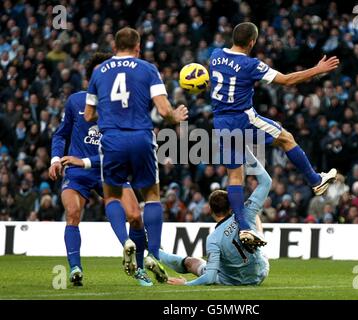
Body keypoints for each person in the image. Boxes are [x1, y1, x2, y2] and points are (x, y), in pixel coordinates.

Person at [209, 22, 339, 245]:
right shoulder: (251, 64)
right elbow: (287, 80)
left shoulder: (214, 55)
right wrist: (317, 70)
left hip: (221, 122)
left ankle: (243, 228)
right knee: (286, 138)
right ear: (252, 42)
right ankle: (315, 180)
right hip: (244, 118)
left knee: (234, 176)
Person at [84, 27, 188, 283]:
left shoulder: (98, 72)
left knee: (111, 196)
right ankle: (153, 253)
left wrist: (109, 112)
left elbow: (88, 115)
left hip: (112, 140)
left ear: (115, 45)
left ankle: (125, 240)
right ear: (138, 47)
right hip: (141, 137)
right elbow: (164, 110)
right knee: (152, 196)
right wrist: (177, 116)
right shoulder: (147, 68)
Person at [49, 53, 153, 287]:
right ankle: (75, 268)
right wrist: (55, 159)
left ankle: (137, 268)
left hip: (108, 168)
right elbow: (61, 134)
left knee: (136, 216)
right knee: (73, 213)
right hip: (78, 173)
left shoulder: (123, 107)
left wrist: (84, 161)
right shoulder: (75, 101)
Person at [149, 148, 270, 286]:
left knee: (192, 263)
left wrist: (184, 284)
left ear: (211, 212)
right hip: (260, 273)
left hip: (231, 281)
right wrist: (246, 151)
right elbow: (266, 182)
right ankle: (257, 236)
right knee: (255, 217)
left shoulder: (213, 239)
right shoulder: (245, 213)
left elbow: (210, 277)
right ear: (231, 207)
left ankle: (156, 252)